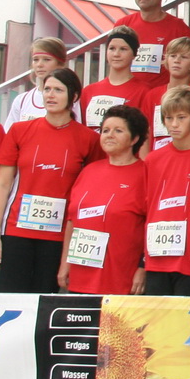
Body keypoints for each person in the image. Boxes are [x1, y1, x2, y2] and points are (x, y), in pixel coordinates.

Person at [0, 67, 97, 292]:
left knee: (45, 302)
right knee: (11, 301)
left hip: (58, 237)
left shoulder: (89, 139)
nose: (50, 95)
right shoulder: (19, 131)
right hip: (17, 230)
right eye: (47, 89)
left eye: (58, 90)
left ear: (73, 96)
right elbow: (2, 184)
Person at [57, 105, 149, 296]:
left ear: (134, 138)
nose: (109, 135)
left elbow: (152, 224)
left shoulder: (146, 174)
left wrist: (143, 267)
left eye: (118, 131)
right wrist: (65, 262)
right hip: (80, 277)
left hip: (121, 280)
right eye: (105, 130)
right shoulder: (88, 171)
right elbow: (72, 222)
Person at [142, 87, 190, 296]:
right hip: (156, 254)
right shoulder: (152, 160)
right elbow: (147, 208)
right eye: (169, 118)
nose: (174, 124)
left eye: (181, 117)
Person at [113, 0, 190, 88]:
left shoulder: (179, 28)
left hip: (162, 99)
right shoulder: (123, 25)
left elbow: (188, 68)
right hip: (129, 96)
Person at [141, 37, 190, 147]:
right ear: (166, 59)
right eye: (173, 56)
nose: (177, 60)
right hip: (156, 158)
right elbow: (145, 132)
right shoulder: (152, 95)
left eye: (184, 57)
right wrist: (146, 161)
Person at [81, 27, 146, 129]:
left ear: (134, 54)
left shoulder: (144, 92)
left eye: (123, 49)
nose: (116, 54)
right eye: (112, 48)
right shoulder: (88, 91)